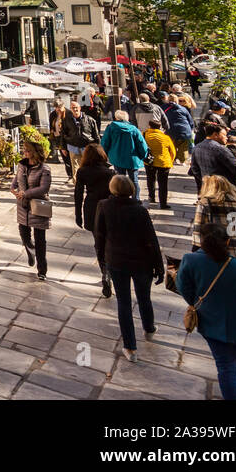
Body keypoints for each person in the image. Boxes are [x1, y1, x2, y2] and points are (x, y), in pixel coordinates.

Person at [177, 222, 236, 400]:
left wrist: (197, 302)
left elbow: (184, 288)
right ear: (227, 242)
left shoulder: (190, 260)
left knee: (225, 365)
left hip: (212, 323)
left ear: (201, 241)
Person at [93, 175, 164, 362]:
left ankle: (130, 347)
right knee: (144, 297)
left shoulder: (104, 206)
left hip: (116, 261)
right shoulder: (140, 210)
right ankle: (149, 328)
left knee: (123, 303)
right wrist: (159, 266)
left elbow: (99, 236)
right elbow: (152, 240)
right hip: (142, 262)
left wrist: (101, 260)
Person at [73, 144, 116, 297]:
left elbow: (78, 194)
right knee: (109, 241)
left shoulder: (83, 171)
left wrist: (78, 214)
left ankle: (104, 270)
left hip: (92, 208)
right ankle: (109, 270)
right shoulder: (110, 171)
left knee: (98, 242)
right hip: (108, 209)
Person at [11, 138, 53, 280]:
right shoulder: (21, 165)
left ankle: (42, 269)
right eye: (24, 150)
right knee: (24, 234)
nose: (25, 152)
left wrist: (26, 193)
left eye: (28, 150)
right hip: (23, 205)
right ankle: (30, 250)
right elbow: (16, 181)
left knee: (40, 239)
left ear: (35, 152)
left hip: (38, 206)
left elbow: (44, 188)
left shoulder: (44, 169)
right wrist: (13, 189)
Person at [101, 110, 147, 190]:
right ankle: (136, 199)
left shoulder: (111, 128)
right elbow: (142, 144)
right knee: (134, 181)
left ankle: (122, 197)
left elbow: (105, 143)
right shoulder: (134, 129)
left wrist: (104, 155)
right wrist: (143, 156)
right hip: (132, 159)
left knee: (120, 180)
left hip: (117, 157)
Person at [191, 124, 236, 193]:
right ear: (215, 135)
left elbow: (194, 168)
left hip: (209, 188)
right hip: (225, 190)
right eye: (224, 135)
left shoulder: (198, 147)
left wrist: (205, 180)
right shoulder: (220, 149)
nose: (226, 137)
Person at [142, 119, 176, 209]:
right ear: (160, 127)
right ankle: (163, 203)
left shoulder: (145, 135)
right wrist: (170, 160)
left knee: (150, 180)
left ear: (149, 126)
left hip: (149, 162)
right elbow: (172, 151)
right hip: (163, 162)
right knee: (163, 184)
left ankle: (151, 197)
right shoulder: (166, 138)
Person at [62, 100, 100, 180]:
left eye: (76, 108)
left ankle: (89, 184)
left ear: (80, 108)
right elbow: (63, 134)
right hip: (73, 146)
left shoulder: (90, 120)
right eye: (73, 108)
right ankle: (77, 186)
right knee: (75, 169)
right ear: (70, 109)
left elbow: (96, 135)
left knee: (89, 167)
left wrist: (98, 148)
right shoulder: (66, 120)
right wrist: (63, 147)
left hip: (87, 147)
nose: (75, 110)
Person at [162, 94, 195, 165]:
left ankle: (172, 159)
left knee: (171, 146)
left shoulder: (163, 107)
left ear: (168, 100)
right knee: (183, 147)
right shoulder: (183, 108)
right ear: (177, 100)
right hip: (184, 130)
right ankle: (182, 161)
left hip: (170, 130)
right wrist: (191, 129)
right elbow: (190, 121)